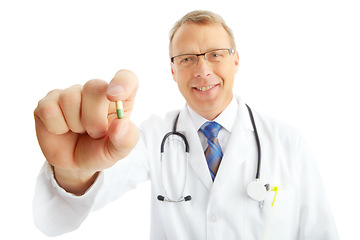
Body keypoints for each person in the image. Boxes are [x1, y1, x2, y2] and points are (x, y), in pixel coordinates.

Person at [33, 10, 338, 239]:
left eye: (215, 55)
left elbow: (321, 232)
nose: (202, 70)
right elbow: (59, 218)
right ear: (172, 70)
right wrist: (75, 171)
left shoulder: (287, 141)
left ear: (236, 61)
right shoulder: (152, 137)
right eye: (188, 59)